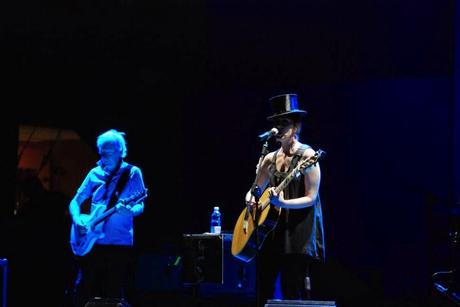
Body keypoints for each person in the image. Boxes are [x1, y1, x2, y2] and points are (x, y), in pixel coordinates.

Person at [246, 93, 325, 306]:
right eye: (276, 123)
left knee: (293, 289)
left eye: (285, 123)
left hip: (299, 230)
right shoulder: (269, 158)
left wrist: (283, 203)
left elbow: (311, 198)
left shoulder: (308, 157)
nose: (279, 128)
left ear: (297, 126)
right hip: (271, 229)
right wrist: (250, 200)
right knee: (264, 286)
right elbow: (255, 188)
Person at [68, 129, 146, 307]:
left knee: (113, 294)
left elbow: (140, 205)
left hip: (118, 244)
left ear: (120, 151)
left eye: (107, 154)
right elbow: (75, 202)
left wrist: (130, 211)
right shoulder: (94, 173)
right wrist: (77, 218)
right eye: (101, 153)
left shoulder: (133, 173)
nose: (103, 158)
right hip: (92, 244)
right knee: (82, 290)